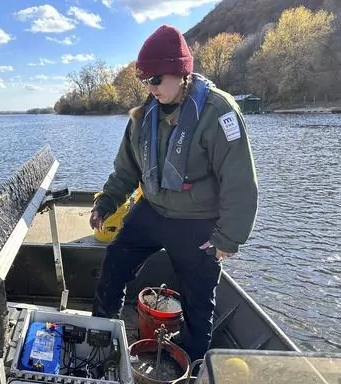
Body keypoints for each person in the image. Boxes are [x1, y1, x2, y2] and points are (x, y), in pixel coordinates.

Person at [89, 25, 258, 362]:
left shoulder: (218, 112)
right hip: (153, 211)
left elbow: (240, 182)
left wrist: (228, 238)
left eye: (156, 79)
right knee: (114, 263)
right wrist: (106, 202)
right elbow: (126, 169)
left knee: (198, 299)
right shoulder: (142, 115)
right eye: (145, 81)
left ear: (182, 73)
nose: (150, 88)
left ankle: (194, 364)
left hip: (197, 221)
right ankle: (101, 336)